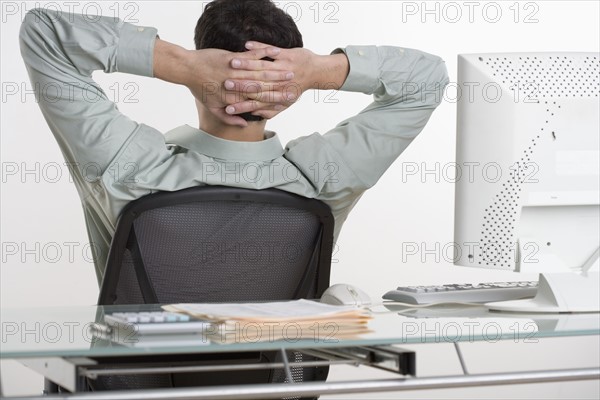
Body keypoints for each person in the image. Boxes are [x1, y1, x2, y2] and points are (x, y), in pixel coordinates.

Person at [19, 0, 449, 285]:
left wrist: (183, 65)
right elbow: (426, 79)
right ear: (290, 87)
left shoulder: (127, 166)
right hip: (270, 388)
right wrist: (317, 71)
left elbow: (45, 34)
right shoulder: (325, 176)